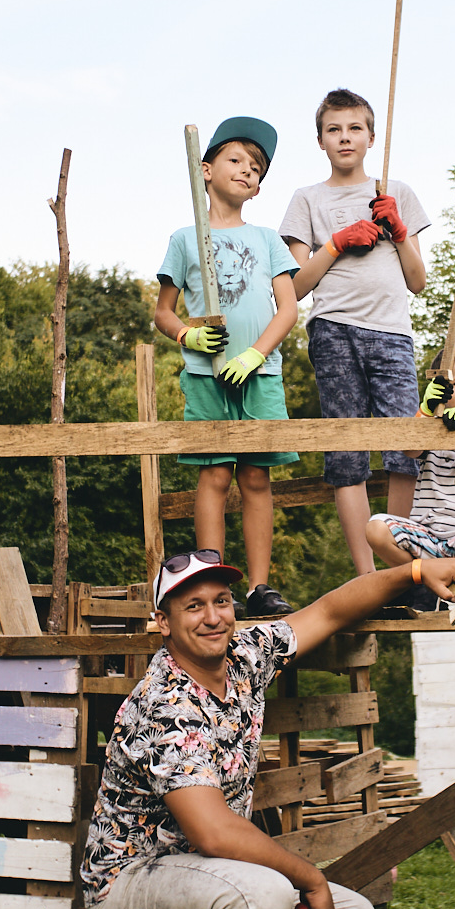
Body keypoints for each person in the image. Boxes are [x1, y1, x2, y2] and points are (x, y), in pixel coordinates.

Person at [82, 547, 455, 909]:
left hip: (208, 877)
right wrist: (310, 877)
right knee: (266, 898)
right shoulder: (166, 704)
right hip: (130, 889)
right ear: (164, 622)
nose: (212, 617)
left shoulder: (244, 656)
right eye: (193, 606)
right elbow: (213, 830)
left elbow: (330, 610)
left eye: (221, 601)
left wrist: (415, 571)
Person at [278, 89, 432, 576]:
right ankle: (367, 576)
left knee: (406, 448)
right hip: (334, 331)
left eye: (354, 129)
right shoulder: (307, 199)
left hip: (392, 332)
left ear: (371, 137)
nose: (345, 137)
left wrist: (400, 231)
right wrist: (339, 243)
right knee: (347, 454)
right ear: (320, 140)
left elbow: (418, 281)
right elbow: (296, 287)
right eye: (333, 129)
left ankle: (398, 566)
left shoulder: (395, 191)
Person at [155, 116, 301, 618]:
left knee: (256, 479)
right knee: (214, 476)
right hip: (205, 375)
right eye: (236, 160)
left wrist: (256, 352)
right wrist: (186, 334)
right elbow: (163, 311)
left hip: (259, 374)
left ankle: (259, 587)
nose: (247, 171)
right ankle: (214, 581)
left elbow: (288, 308)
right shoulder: (183, 239)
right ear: (206, 168)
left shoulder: (267, 239)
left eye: (257, 168)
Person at [366, 344, 455, 606]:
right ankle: (420, 579)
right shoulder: (432, 428)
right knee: (376, 529)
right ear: (444, 392)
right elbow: (410, 450)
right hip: (428, 537)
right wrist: (426, 410)